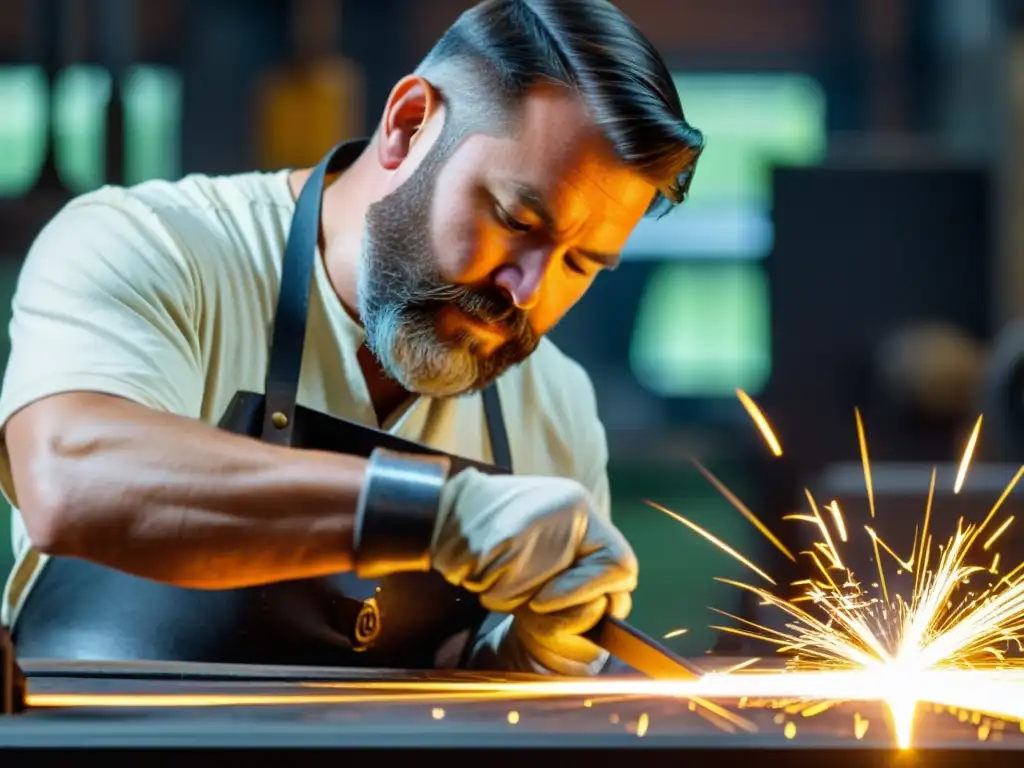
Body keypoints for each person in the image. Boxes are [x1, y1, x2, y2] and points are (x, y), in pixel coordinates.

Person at [0, 0, 703, 676]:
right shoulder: (154, 248)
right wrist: (435, 514)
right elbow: (70, 477)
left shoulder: (552, 404)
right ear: (407, 123)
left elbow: (503, 717)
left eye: (580, 263)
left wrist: (539, 656)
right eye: (516, 221)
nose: (529, 290)